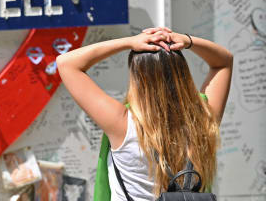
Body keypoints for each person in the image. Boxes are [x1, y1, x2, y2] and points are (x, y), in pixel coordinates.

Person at [56, 27, 233, 199]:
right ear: (182, 74)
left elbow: (67, 63)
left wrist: (130, 42)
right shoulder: (203, 118)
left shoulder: (123, 123)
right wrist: (188, 41)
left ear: (137, 78)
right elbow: (223, 63)